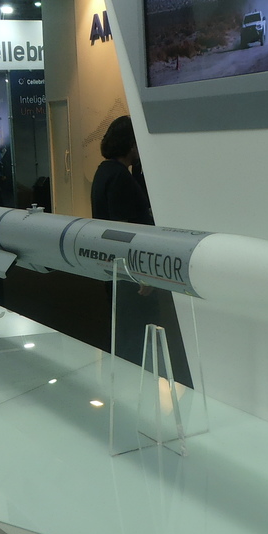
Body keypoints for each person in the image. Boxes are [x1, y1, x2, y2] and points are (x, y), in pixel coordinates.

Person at [90, 116, 190, 384]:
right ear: (130, 144)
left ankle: (127, 385)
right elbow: (126, 231)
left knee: (125, 333)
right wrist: (141, 273)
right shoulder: (119, 177)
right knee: (137, 335)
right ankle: (137, 386)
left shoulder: (106, 172)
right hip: (130, 275)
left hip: (115, 271)